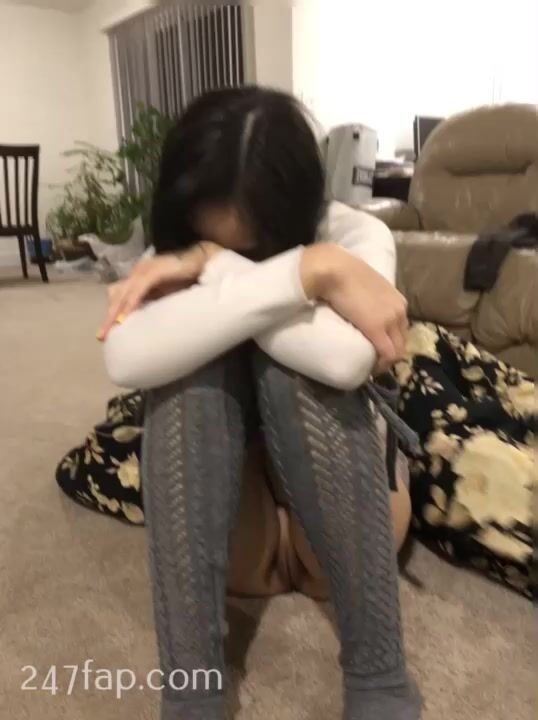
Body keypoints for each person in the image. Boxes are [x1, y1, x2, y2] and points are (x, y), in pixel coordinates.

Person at [98, 86, 421, 720]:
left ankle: (381, 676)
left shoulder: (355, 234)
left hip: (347, 531)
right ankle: (191, 692)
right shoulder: (179, 244)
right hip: (243, 540)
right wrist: (304, 276)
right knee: (187, 375)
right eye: (214, 241)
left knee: (298, 373)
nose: (226, 253)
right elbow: (125, 360)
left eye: (257, 248)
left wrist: (220, 267)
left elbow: (345, 361)